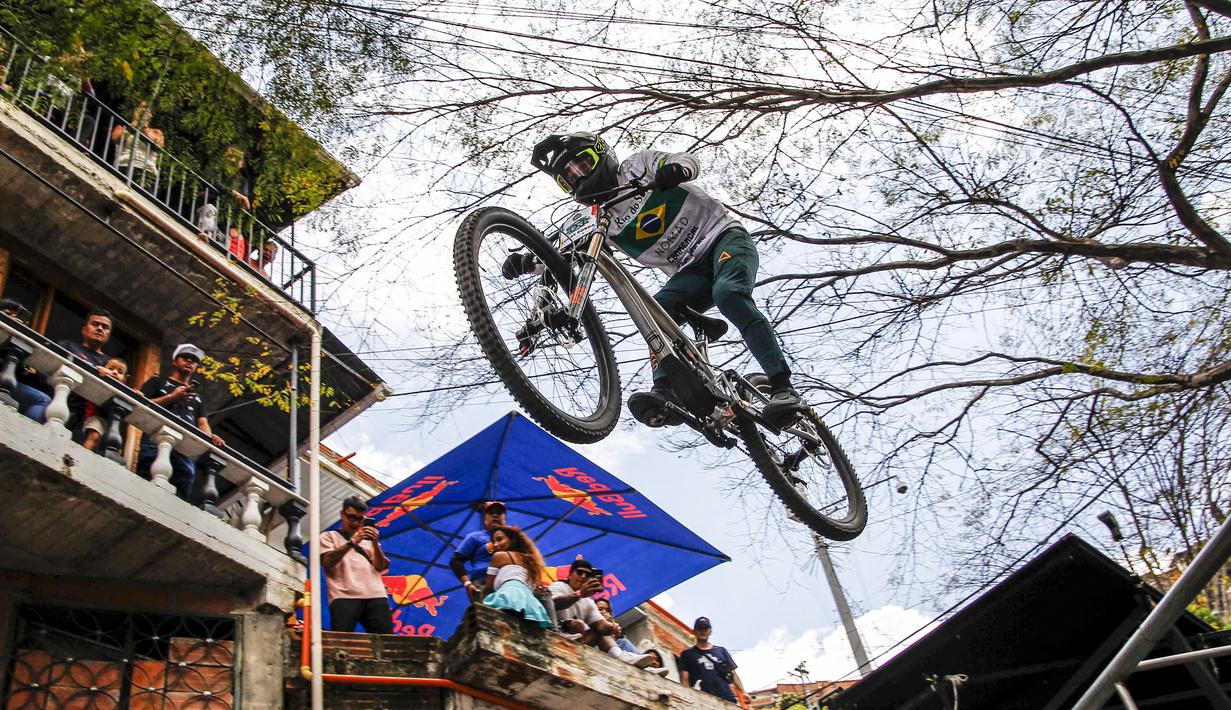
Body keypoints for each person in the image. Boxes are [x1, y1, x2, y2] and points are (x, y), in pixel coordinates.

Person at [528, 132, 803, 428]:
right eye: (568, 178)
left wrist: (676, 170)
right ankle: (665, 391)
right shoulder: (596, 216)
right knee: (656, 314)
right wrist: (530, 259)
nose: (579, 176)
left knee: (729, 294)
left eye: (582, 164)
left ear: (602, 154)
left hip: (723, 238)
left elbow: (684, 161)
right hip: (689, 272)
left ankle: (782, 387)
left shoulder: (636, 167)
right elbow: (566, 254)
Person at [135, 344, 225, 501]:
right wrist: (172, 397)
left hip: (184, 453)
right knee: (145, 487)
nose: (190, 362)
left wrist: (210, 438)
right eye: (185, 358)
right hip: (155, 444)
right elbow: (140, 404)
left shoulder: (197, 398)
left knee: (180, 492)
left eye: (194, 360)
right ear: (174, 361)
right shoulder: (158, 382)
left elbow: (202, 423)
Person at [549, 559, 653, 667]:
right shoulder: (558, 586)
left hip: (579, 641)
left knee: (600, 631)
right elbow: (553, 603)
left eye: (587, 575)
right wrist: (579, 594)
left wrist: (612, 628)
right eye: (579, 572)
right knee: (578, 624)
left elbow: (600, 624)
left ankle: (620, 656)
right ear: (570, 575)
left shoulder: (588, 601)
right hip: (556, 634)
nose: (583, 577)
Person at [320, 496, 394, 634]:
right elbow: (327, 562)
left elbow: (381, 567)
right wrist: (353, 542)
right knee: (341, 642)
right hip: (343, 595)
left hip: (375, 594)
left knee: (387, 641)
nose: (355, 522)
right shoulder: (329, 536)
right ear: (342, 514)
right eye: (351, 517)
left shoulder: (368, 541)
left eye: (360, 519)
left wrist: (375, 544)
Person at [481, 526, 553, 629]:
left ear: (512, 540)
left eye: (499, 539)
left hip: (508, 597)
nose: (496, 544)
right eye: (493, 541)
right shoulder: (532, 562)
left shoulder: (499, 556)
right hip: (531, 604)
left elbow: (488, 588)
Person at [59, 308, 115, 431]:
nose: (100, 328)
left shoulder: (111, 364)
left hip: (88, 421)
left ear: (108, 336)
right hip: (60, 404)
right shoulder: (68, 346)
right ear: (84, 330)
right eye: (95, 324)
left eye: (105, 327)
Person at [0, 298, 51, 422]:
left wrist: (28, 370)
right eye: (7, 314)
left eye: (15, 317)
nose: (12, 319)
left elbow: (19, 373)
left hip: (6, 383)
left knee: (44, 400)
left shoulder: (19, 339)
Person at [678, 616, 744, 702]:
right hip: (702, 700)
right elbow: (684, 680)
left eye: (705, 628)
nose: (703, 631)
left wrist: (743, 693)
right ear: (694, 631)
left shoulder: (721, 651)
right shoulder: (687, 654)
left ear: (710, 631)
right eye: (700, 628)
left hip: (727, 699)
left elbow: (733, 675)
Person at [451, 501, 506, 602]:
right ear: (484, 519)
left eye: (499, 513)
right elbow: (456, 561)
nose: (495, 515)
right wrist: (468, 583)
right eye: (491, 513)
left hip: (508, 584)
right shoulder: (475, 537)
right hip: (483, 583)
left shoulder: (513, 538)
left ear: (505, 519)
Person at [110, 101, 164, 190]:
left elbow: (157, 144)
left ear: (150, 115)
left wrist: (142, 126)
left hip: (146, 172)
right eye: (142, 108)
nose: (144, 112)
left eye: (147, 110)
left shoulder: (156, 132)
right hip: (124, 166)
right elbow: (116, 139)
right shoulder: (123, 127)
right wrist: (135, 123)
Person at [81, 357, 128, 451]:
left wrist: (137, 394)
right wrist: (98, 371)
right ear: (103, 368)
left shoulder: (121, 390)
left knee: (111, 445)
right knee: (94, 436)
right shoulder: (100, 376)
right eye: (111, 368)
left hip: (112, 423)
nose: (115, 372)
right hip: (94, 416)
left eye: (120, 372)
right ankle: (84, 453)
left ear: (123, 379)